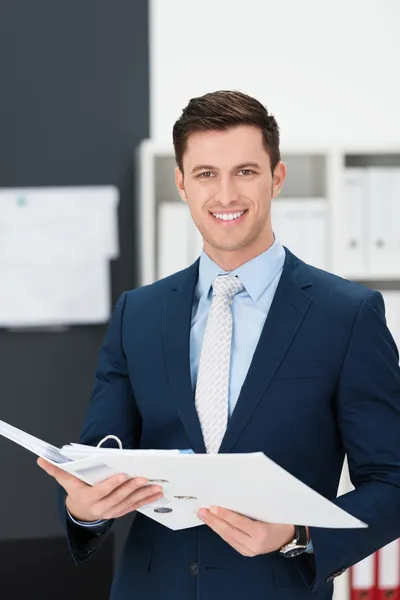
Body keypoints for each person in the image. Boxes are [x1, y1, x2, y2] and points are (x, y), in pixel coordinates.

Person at [38, 90, 400, 600]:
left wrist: (298, 534)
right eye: (206, 173)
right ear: (182, 184)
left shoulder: (347, 315)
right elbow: (102, 455)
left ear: (277, 177)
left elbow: (391, 480)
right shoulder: (137, 314)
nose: (226, 195)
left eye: (246, 171)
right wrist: (83, 508)